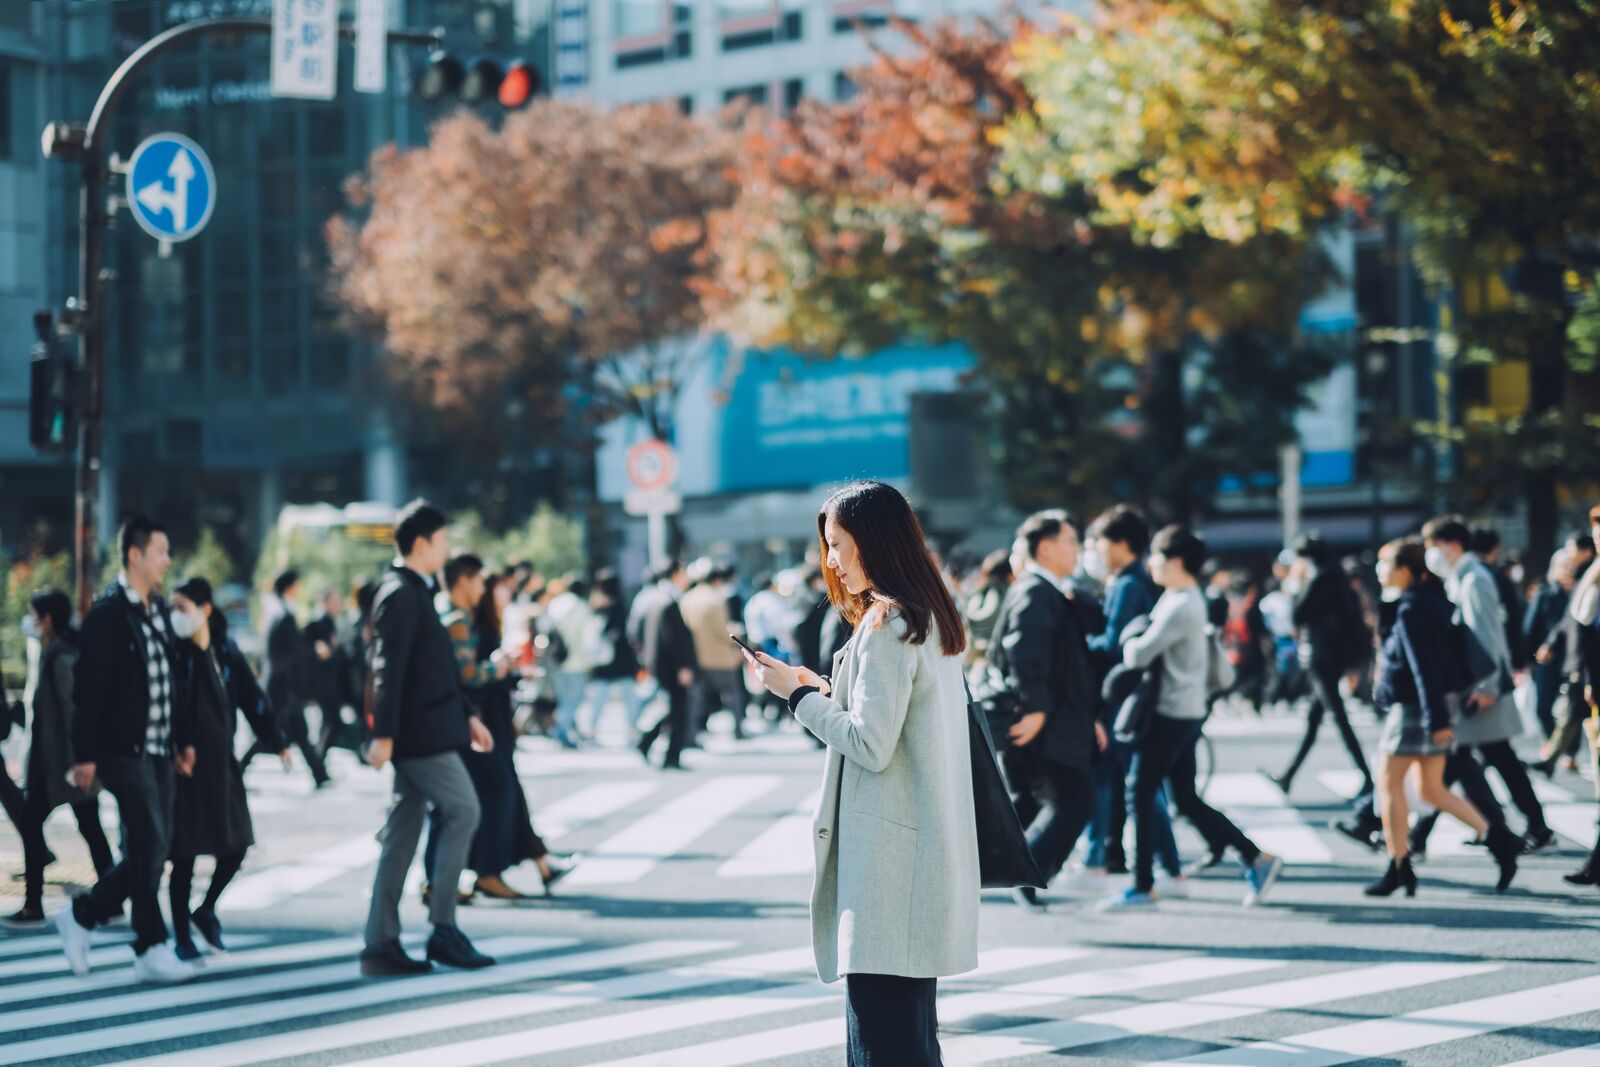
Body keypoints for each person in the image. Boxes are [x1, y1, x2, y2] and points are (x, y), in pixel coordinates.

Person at [741, 481, 978, 1064]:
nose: (831, 561)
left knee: (882, 1044)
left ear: (874, 542)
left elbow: (870, 744)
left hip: (890, 868)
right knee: (911, 1040)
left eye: (839, 545)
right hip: (921, 854)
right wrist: (820, 687)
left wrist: (797, 697)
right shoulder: (927, 616)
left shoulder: (887, 625)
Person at [1105, 525, 1284, 910]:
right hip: (1187, 710)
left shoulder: (1180, 604)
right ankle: (1256, 857)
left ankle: (1142, 885)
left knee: (1139, 790)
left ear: (1176, 561)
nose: (1151, 562)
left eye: (1156, 555)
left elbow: (1138, 655)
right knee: (1184, 798)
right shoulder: (1186, 598)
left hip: (1170, 711)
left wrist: (1131, 635)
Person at [56, 515, 199, 984]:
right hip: (124, 750)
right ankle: (146, 942)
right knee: (152, 845)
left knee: (150, 848)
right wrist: (84, 755)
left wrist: (181, 742)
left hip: (160, 749)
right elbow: (89, 689)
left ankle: (91, 919)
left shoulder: (155, 609)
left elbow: (170, 680)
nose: (167, 561)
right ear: (135, 555)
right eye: (161, 552)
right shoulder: (108, 613)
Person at [361, 500, 496, 977]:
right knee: (464, 810)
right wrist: (384, 734)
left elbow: (431, 670)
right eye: (442, 541)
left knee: (401, 836)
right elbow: (387, 669)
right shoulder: (401, 593)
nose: (447, 549)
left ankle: (381, 944)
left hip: (426, 729)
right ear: (421, 544)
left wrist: (467, 715)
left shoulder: (415, 590)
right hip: (418, 736)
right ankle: (442, 928)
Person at [1364, 539, 1522, 896]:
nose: (1379, 570)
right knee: (1430, 789)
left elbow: (1424, 668)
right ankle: (1499, 840)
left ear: (1405, 570)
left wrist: (1435, 719)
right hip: (1434, 704)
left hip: (1416, 707)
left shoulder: (1410, 609)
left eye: (1384, 563)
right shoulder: (1425, 601)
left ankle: (1399, 865)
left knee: (1390, 784)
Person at [425, 559, 577, 902]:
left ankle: (473, 876)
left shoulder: (466, 616)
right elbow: (463, 677)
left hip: (481, 719)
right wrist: (497, 670)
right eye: (492, 583)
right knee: (473, 800)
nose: (492, 590)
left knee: (488, 797)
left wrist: (505, 672)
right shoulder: (458, 618)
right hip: (476, 721)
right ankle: (458, 880)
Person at [987, 510, 1106, 912]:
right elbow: (1023, 652)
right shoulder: (1036, 590)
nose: (1077, 549)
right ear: (1046, 546)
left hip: (1057, 719)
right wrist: (1036, 708)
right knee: (1073, 800)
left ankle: (1001, 870)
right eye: (1071, 541)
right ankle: (1026, 873)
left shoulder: (1049, 588)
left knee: (1030, 801)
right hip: (1046, 722)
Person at [1411, 516, 1551, 853]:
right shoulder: (1465, 577)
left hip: (1480, 689)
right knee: (1489, 759)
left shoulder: (1474, 580)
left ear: (1453, 546)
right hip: (1476, 688)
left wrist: (1487, 688)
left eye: (1434, 547)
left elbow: (1487, 636)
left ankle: (1425, 836)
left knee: (1463, 761)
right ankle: (1522, 827)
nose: (1431, 555)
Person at [166, 578, 287, 961]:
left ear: (205, 610)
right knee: (183, 854)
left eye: (182, 608)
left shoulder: (224, 649)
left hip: (222, 763)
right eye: (172, 609)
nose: (175, 616)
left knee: (236, 845)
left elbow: (252, 697)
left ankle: (206, 909)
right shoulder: (173, 652)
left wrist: (277, 738)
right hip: (185, 764)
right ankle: (181, 934)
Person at [4, 591, 114, 927]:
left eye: (33, 614)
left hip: (63, 767)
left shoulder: (62, 657)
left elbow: (72, 713)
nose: (30, 621)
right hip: (52, 765)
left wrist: (80, 761)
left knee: (39, 823)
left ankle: (34, 906)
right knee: (87, 827)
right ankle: (111, 900)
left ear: (47, 619)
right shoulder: (50, 652)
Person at [1080, 505, 1175, 877]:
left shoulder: (1127, 584)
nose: (1097, 550)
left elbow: (1113, 645)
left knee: (1138, 784)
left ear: (1121, 544)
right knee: (1129, 781)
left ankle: (1164, 864)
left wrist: (1078, 634)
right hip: (1131, 697)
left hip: (1124, 698)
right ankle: (1112, 856)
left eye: (1101, 542)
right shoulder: (1130, 581)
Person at [1269, 535, 1374, 799]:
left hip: (1323, 658)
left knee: (1339, 718)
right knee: (1315, 718)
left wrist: (1295, 584)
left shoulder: (1319, 579)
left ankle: (1368, 778)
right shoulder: (1336, 576)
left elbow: (1298, 615)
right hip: (1336, 656)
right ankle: (1288, 775)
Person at [245, 570, 329, 787]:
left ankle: (319, 773)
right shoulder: (284, 614)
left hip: (281, 683)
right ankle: (238, 766)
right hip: (283, 685)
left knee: (297, 731)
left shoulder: (275, 611)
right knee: (270, 732)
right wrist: (314, 651)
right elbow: (294, 651)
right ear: (290, 587)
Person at [635, 559, 698, 771]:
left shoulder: (655, 598)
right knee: (678, 711)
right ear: (674, 574)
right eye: (683, 571)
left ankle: (647, 742)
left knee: (672, 710)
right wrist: (684, 666)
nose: (686, 576)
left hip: (661, 666)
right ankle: (670, 755)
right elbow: (673, 639)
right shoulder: (668, 600)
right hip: (672, 667)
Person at [681, 561, 750, 741]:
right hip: (720, 657)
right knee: (733, 696)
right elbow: (722, 631)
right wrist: (736, 634)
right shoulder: (716, 600)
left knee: (696, 700)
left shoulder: (687, 598)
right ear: (717, 580)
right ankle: (738, 730)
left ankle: (691, 734)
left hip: (697, 656)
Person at [583, 568, 645, 741]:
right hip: (621, 658)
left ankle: (592, 730)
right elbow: (621, 630)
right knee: (629, 697)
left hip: (603, 659)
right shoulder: (617, 603)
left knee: (600, 697)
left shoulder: (596, 603)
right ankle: (631, 731)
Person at [543, 576, 597, 749]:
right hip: (576, 661)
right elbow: (587, 637)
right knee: (574, 699)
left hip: (555, 659)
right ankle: (561, 732)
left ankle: (562, 731)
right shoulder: (582, 607)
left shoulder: (555, 604)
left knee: (562, 698)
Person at [304, 586, 352, 760]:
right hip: (322, 683)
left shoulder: (335, 622)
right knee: (332, 720)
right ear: (325, 602)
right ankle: (319, 760)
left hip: (334, 682)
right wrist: (318, 650)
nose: (339, 605)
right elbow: (303, 648)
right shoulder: (317, 623)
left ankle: (319, 762)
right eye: (335, 601)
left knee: (331, 721)